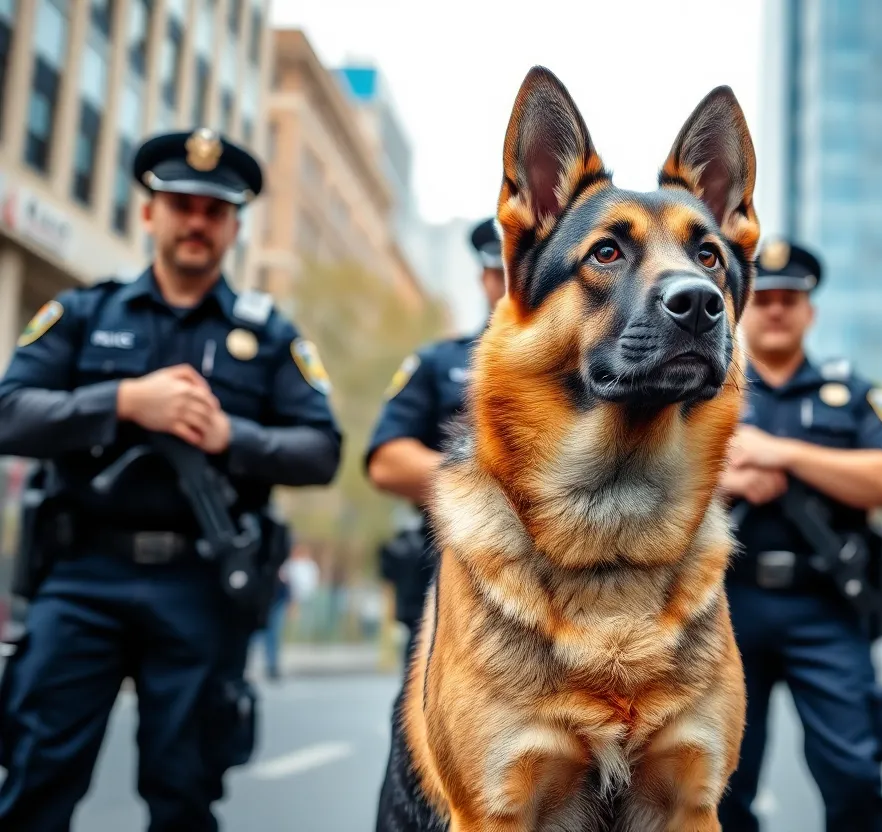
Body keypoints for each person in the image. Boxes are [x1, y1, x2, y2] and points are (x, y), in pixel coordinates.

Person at [0, 127, 342, 831]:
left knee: (183, 797)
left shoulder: (269, 336)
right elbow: (10, 413)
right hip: (79, 578)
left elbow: (321, 450)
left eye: (213, 211)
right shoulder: (82, 314)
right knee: (35, 784)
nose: (196, 222)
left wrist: (231, 436)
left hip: (200, 589)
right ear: (150, 213)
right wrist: (122, 401)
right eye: (181, 204)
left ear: (234, 227)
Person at [716, 239, 882, 832]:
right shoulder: (702, 391)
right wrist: (730, 478)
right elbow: (656, 486)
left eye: (790, 299)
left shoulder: (851, 394)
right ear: (741, 308)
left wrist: (784, 454)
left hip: (826, 606)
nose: (776, 309)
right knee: (717, 784)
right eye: (765, 298)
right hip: (724, 606)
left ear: (810, 312)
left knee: (855, 776)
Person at [367, 216, 504, 829]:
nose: (516, 281)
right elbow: (387, 459)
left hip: (578, 601)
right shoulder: (443, 362)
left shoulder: (591, 365)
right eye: (503, 270)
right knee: (421, 788)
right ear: (484, 276)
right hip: (454, 593)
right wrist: (494, 487)